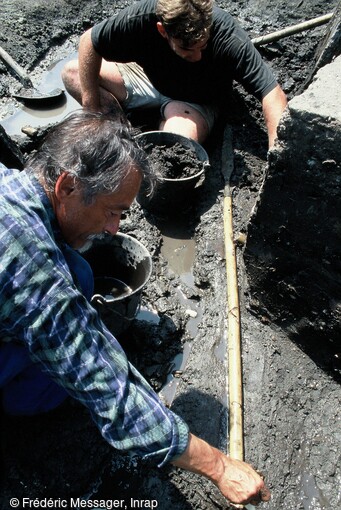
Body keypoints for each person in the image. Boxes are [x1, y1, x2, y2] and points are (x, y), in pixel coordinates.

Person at [0, 110, 270, 506]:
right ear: (67, 186)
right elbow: (108, 386)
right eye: (112, 211)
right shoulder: (31, 265)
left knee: (78, 269)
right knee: (61, 371)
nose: (114, 228)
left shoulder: (11, 184)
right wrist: (219, 466)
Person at [62, 0, 287, 148]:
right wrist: (91, 109)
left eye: (203, 46)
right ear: (162, 30)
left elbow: (272, 94)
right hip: (147, 79)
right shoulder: (140, 19)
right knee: (72, 74)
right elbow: (88, 42)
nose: (198, 56)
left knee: (176, 147)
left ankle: (156, 130)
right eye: (187, 49)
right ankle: (118, 131)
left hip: (194, 101)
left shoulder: (228, 36)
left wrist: (277, 157)